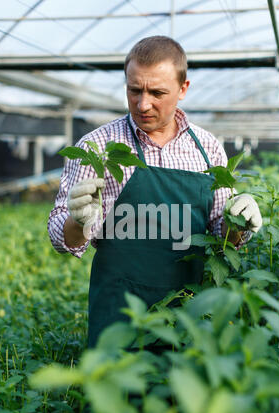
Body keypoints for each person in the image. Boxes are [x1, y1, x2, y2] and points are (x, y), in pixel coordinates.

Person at [48, 36, 262, 348]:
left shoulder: (207, 150)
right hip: (118, 318)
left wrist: (238, 222)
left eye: (157, 93)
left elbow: (221, 239)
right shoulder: (97, 147)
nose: (143, 103)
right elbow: (61, 240)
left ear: (183, 89)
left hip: (190, 316)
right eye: (134, 90)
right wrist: (78, 222)